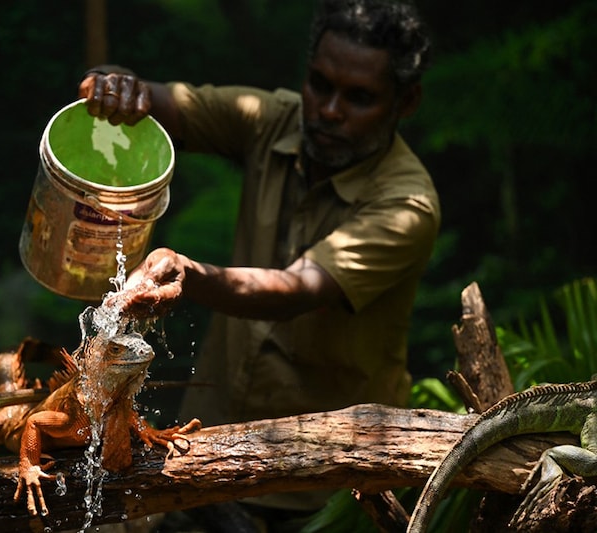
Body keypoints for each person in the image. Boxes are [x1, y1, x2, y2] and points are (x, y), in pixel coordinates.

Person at [78, 0, 439, 530]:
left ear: (406, 101)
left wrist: (190, 274)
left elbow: (294, 289)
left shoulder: (407, 204)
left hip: (327, 485)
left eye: (359, 97)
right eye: (320, 84)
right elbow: (163, 103)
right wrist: (119, 86)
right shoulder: (273, 119)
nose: (330, 109)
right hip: (205, 451)